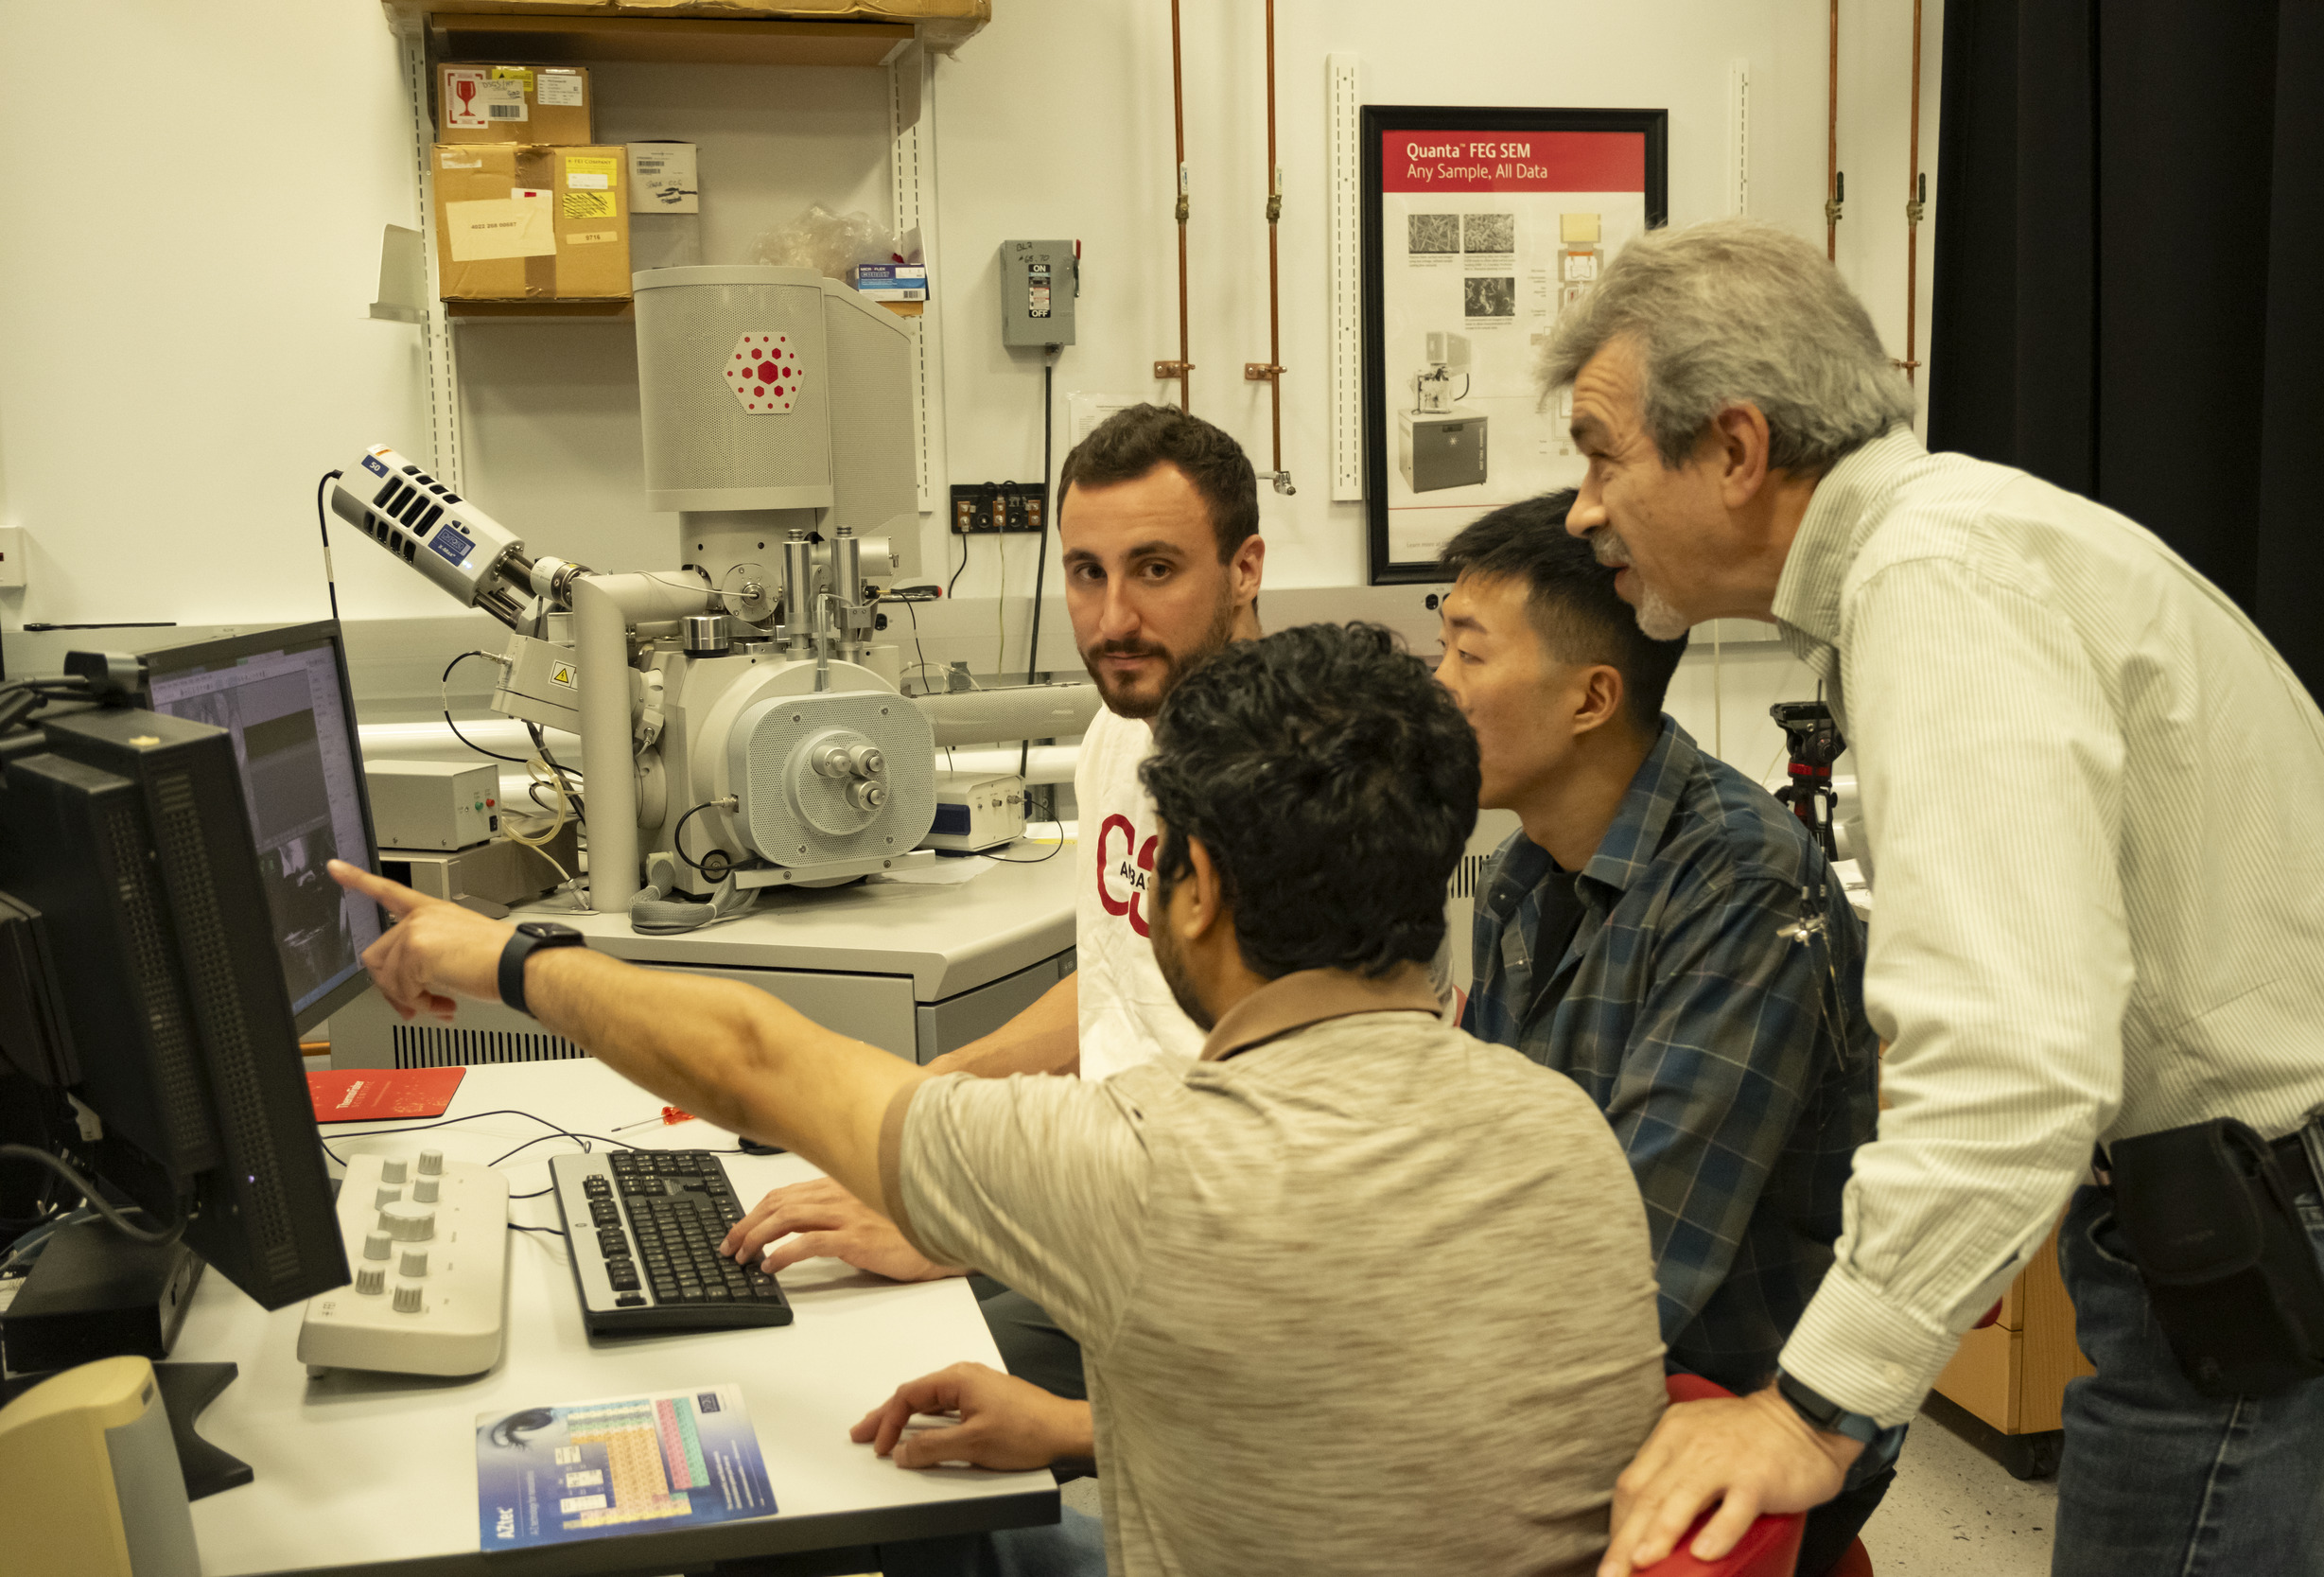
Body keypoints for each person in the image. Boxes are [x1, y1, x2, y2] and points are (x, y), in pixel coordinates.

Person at [328, 621, 1669, 1577]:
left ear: (1193, 887)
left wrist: (505, 954)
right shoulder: (1563, 1129)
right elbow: (1395, 1429)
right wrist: (1092, 1430)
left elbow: (749, 1055)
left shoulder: (1149, 1165)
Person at [1538, 218, 2324, 1577]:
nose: (1582, 507)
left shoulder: (1937, 582)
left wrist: (1813, 1405)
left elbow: (2013, 1057)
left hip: (2264, 1253)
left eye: (1599, 453)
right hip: (2247, 1226)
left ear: (1736, 450)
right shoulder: (1961, 541)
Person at [715, 402, 1269, 1420]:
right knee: (789, 1336)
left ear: (1244, 569)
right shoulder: (1122, 733)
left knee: (862, 1404)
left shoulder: (1291, 784)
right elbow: (1110, 991)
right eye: (1085, 571)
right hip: (1097, 1221)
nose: (1111, 620)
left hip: (1202, 1276)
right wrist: (906, 1114)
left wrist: (964, 1218)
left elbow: (1268, 1137)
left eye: (1155, 569)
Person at [1433, 492, 1883, 1576]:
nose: (1438, 691)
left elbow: (1638, 1270)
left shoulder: (1741, 886)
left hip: (1729, 1406)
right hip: (1565, 1369)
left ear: (1591, 698)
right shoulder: (1529, 870)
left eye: (1465, 653)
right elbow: (1473, 1172)